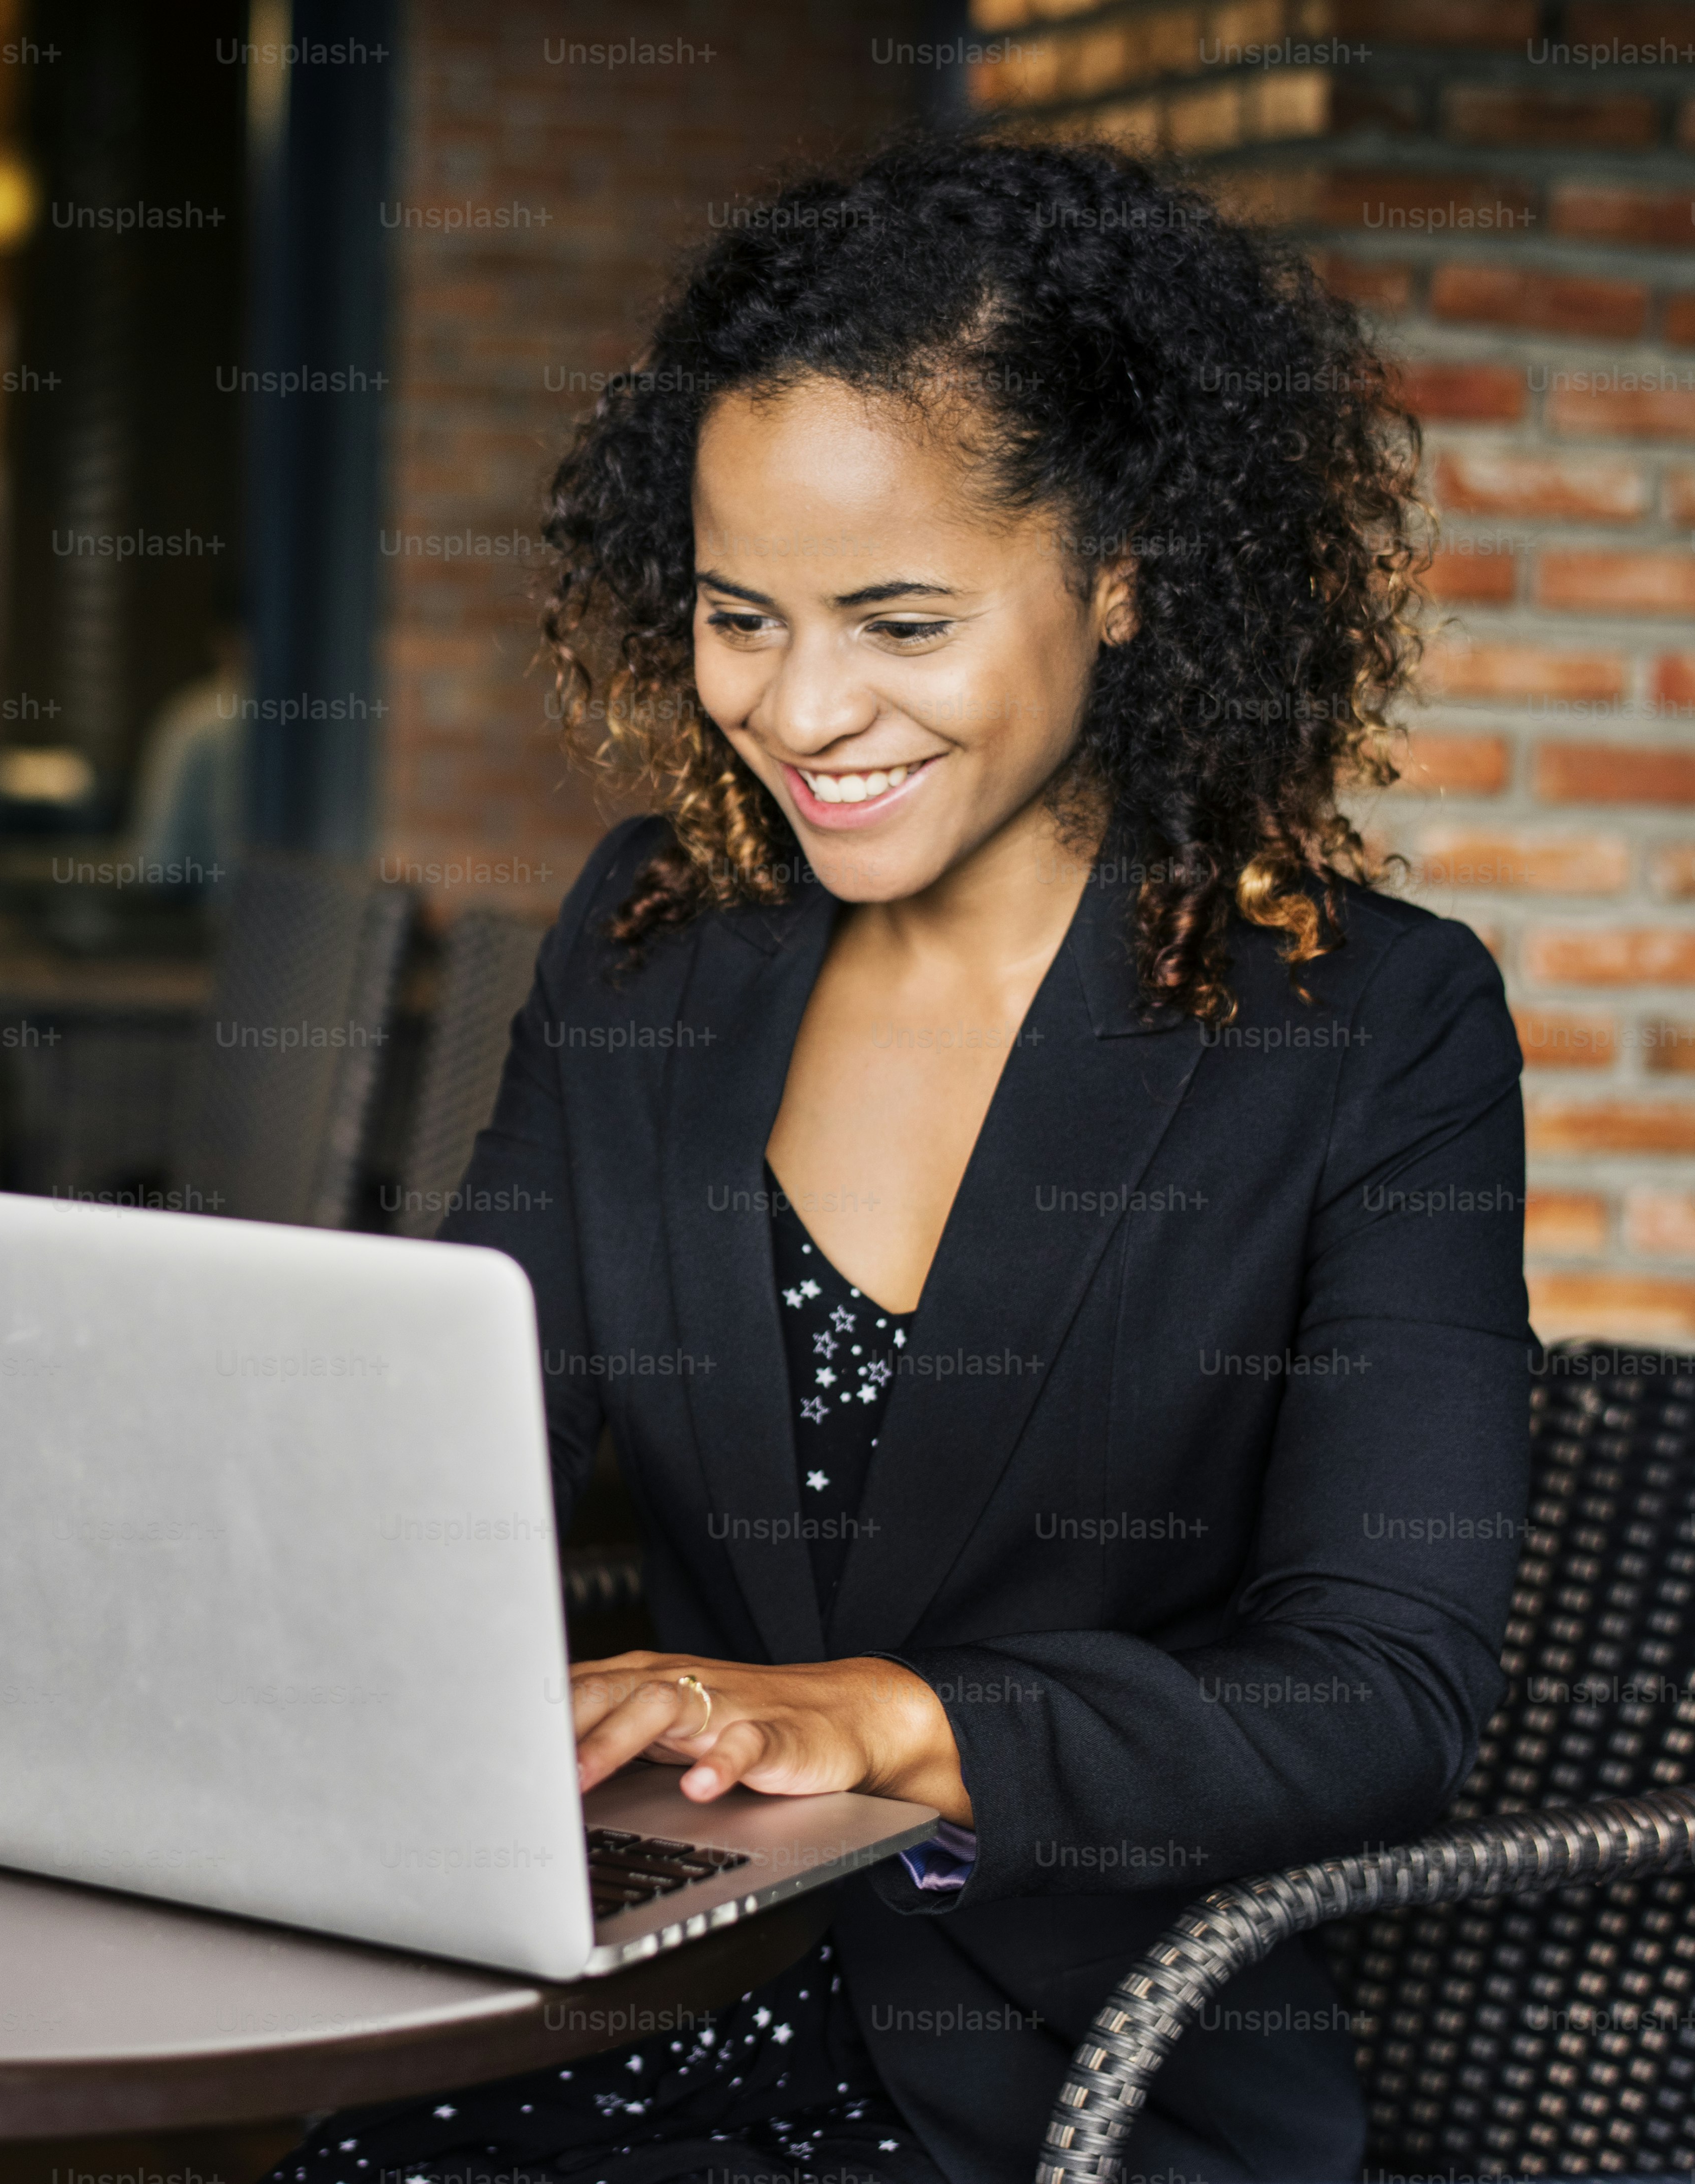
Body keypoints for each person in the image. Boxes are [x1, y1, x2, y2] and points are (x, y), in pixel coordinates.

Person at [265, 135, 1526, 2184]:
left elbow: (1375, 1690)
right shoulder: (651, 940)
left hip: (1062, 2068)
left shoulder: (1367, 1027)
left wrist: (884, 1714)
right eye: (736, 615)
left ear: (1119, 573)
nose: (802, 704)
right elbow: (450, 1456)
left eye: (899, 618)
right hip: (625, 1989)